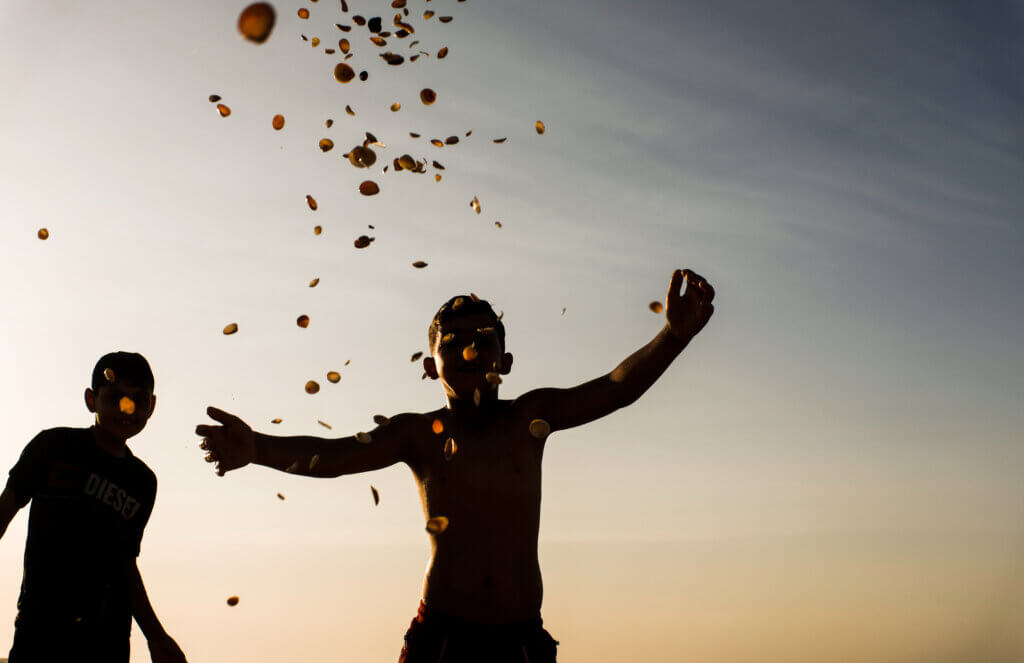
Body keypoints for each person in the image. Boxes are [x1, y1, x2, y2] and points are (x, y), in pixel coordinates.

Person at [196, 268, 715, 662]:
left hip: (520, 641)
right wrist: (258, 448)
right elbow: (334, 457)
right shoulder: (416, 434)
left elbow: (615, 389)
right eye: (455, 341)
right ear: (429, 367)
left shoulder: (529, 417)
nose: (470, 350)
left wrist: (673, 336)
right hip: (443, 638)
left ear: (505, 362)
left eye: (483, 339)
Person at [0, 352, 187, 663]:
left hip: (107, 640)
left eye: (138, 400)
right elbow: (4, 511)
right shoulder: (53, 447)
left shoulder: (141, 482)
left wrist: (156, 635)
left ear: (152, 407)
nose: (127, 409)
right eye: (115, 397)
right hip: (42, 630)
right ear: (91, 399)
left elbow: (125, 564)